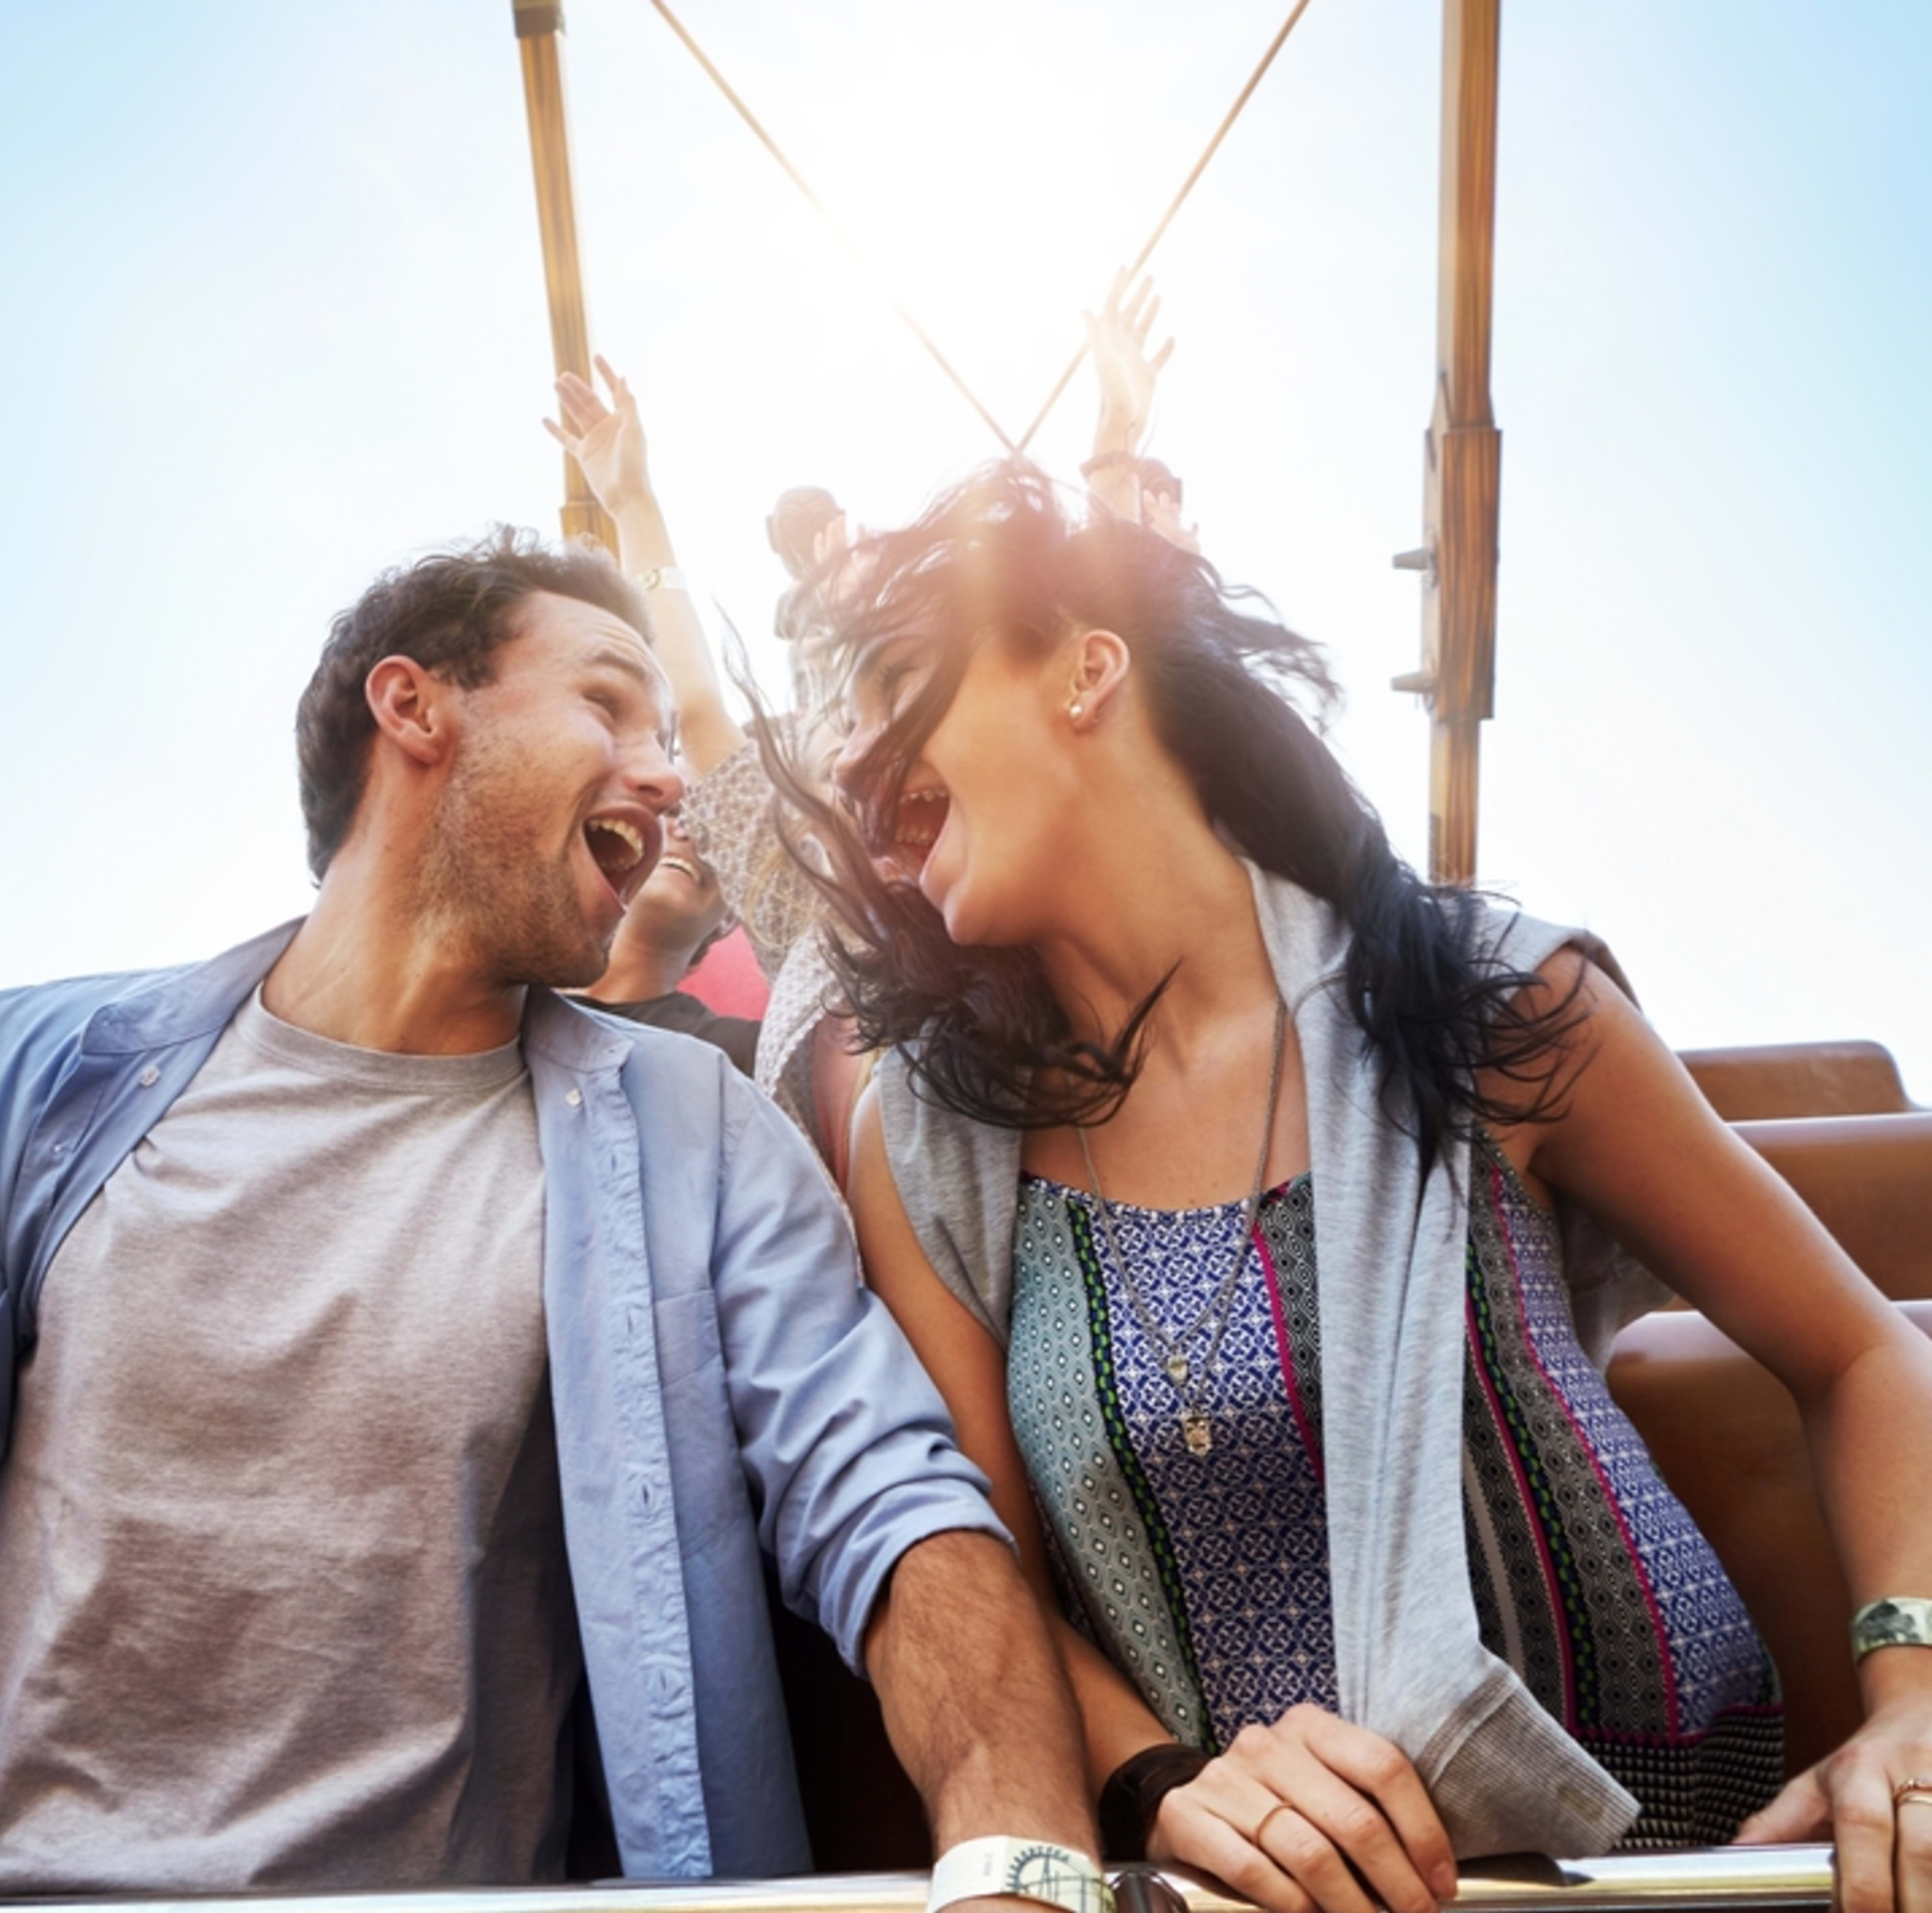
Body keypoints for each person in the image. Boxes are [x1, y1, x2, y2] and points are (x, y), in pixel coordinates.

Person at [0, 533, 1104, 1910]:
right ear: (412, 706)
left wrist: (1023, 1860)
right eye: (608, 699)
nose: (669, 770)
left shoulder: (696, 1137)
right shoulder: (16, 1078)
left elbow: (892, 1507)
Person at [773, 468, 1932, 1913]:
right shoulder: (928, 1146)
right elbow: (985, 1574)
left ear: (1085, 664)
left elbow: (1865, 1350)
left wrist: (1911, 1697)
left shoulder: (1487, 994)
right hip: (1285, 1895)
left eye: (895, 678)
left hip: (1688, 1868)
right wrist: (1168, 1783)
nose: (855, 756)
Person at [543, 270, 1185, 1180]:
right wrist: (636, 508)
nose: (861, 759)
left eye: (903, 715)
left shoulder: (1030, 892)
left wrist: (1113, 449)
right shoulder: (809, 911)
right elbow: (695, 696)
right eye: (843, 735)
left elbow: (1123, 673)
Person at [578, 816, 759, 1073]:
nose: (692, 834)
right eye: (672, 811)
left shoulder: (745, 1057)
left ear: (731, 917)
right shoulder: (512, 996)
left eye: (723, 835)